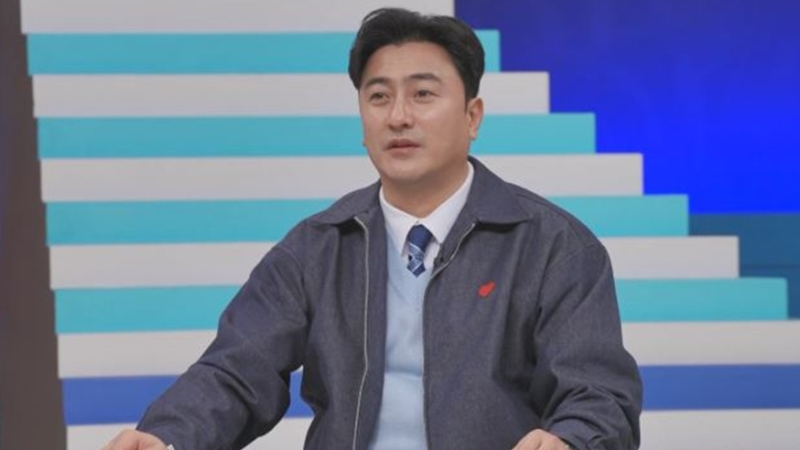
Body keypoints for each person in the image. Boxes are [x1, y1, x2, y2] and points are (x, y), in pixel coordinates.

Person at [102, 7, 642, 450]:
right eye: (379, 96)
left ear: (472, 116)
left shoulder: (554, 247)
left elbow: (599, 395)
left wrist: (572, 441)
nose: (398, 116)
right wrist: (167, 438)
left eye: (423, 94)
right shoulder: (316, 248)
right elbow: (236, 373)